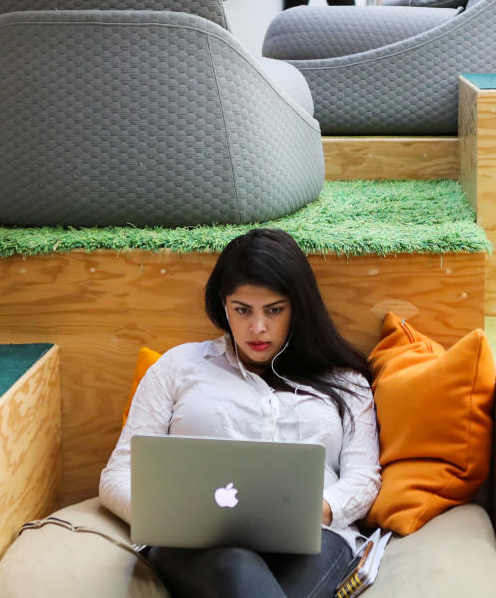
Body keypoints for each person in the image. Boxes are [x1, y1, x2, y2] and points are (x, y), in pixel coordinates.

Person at [100, 228, 380, 598]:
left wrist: (320, 509)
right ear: (223, 304)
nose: (257, 327)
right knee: (235, 565)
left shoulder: (346, 382)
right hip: (198, 545)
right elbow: (118, 474)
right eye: (242, 310)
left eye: (274, 310)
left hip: (316, 538)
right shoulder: (178, 367)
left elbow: (364, 477)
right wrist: (170, 517)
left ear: (298, 306)